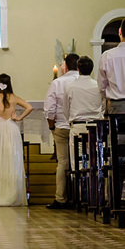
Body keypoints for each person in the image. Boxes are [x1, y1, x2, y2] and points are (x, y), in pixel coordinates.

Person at [0, 73, 32, 207]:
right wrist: (19, 118)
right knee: (12, 160)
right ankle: (13, 193)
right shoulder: (14, 98)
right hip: (12, 128)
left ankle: (0, 193)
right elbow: (29, 107)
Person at [44, 53, 80, 209]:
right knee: (80, 161)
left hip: (62, 126)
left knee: (63, 162)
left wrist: (52, 127)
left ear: (65, 66)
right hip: (81, 127)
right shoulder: (86, 82)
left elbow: (49, 110)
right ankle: (81, 196)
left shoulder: (58, 83)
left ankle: (60, 198)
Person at [63, 56, 104, 182]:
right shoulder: (98, 86)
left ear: (78, 69)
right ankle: (97, 189)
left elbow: (66, 109)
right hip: (95, 126)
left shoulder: (70, 87)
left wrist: (71, 121)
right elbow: (103, 106)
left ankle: (81, 189)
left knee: (78, 163)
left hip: (78, 126)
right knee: (96, 161)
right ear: (92, 69)